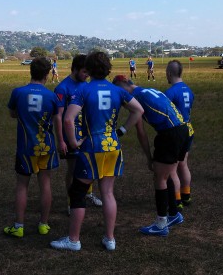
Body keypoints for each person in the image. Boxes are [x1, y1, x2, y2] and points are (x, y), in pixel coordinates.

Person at [51, 51, 144, 251]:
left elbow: (68, 119)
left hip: (91, 146)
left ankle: (74, 240)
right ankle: (110, 239)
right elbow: (139, 110)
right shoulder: (118, 91)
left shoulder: (84, 90)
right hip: (112, 146)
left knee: (78, 192)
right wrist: (122, 131)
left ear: (90, 68)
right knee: (108, 192)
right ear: (107, 68)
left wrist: (74, 142)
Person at [112, 75, 189, 237]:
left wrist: (121, 132)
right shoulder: (148, 90)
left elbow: (141, 132)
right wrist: (150, 157)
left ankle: (161, 224)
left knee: (159, 178)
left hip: (170, 133)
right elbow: (142, 130)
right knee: (165, 174)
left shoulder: (135, 99)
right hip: (183, 130)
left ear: (122, 86)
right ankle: (174, 214)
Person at [4, 57, 65, 238]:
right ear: (47, 74)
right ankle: (43, 224)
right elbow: (57, 119)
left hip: (25, 147)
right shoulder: (52, 96)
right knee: (45, 184)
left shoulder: (18, 92)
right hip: (47, 146)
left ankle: (19, 226)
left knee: (22, 186)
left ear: (30, 71)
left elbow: (13, 113)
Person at [54, 55, 103, 215]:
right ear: (74, 69)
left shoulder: (87, 86)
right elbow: (59, 117)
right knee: (73, 169)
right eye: (84, 71)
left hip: (87, 135)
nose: (87, 75)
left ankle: (88, 194)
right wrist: (61, 140)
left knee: (88, 166)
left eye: (88, 72)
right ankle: (71, 201)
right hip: (71, 136)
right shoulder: (62, 88)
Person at [164, 60, 195, 210]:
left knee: (172, 168)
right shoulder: (189, 90)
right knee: (183, 164)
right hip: (188, 129)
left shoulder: (170, 92)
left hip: (176, 132)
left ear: (169, 73)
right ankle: (186, 195)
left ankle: (176, 200)